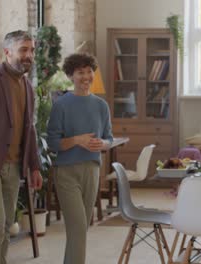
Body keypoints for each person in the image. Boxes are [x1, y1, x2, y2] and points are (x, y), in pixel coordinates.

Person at [0, 30, 43, 264]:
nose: (29, 55)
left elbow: (30, 128)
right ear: (7, 52)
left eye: (32, 50)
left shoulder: (26, 85)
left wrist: (35, 166)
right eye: (23, 50)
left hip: (14, 167)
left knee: (6, 226)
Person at [47, 53, 113, 264]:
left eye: (89, 71)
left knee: (82, 228)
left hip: (92, 170)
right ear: (70, 76)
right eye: (80, 72)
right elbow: (53, 143)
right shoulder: (61, 105)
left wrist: (102, 144)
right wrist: (76, 140)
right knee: (77, 227)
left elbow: (109, 138)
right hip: (66, 172)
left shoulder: (101, 106)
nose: (85, 76)